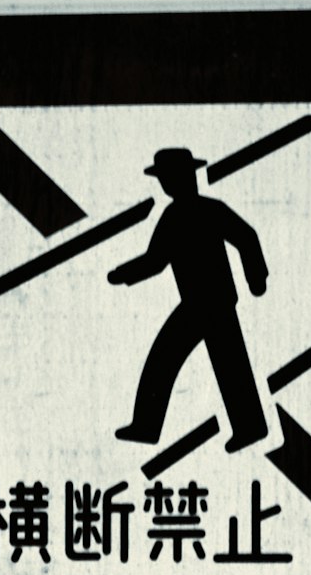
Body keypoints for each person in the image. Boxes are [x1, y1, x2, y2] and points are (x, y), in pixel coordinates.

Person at [107, 144, 272, 449]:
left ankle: (148, 427)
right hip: (208, 302)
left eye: (168, 178)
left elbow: (245, 237)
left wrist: (256, 278)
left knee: (171, 361)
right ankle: (248, 427)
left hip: (208, 303)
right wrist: (125, 273)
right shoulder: (188, 213)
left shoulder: (195, 212)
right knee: (223, 364)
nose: (165, 184)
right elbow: (156, 261)